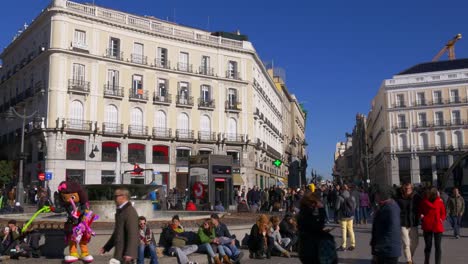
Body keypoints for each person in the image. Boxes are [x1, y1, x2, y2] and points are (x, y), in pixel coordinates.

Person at [100, 188, 139, 263]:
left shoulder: (129, 212)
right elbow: (117, 232)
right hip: (120, 252)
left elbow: (133, 233)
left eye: (116, 196)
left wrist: (130, 253)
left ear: (123, 197)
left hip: (125, 254)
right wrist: (106, 247)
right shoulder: (122, 211)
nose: (114, 199)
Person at [297, 191, 337, 264]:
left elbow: (313, 229)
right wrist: (321, 209)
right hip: (312, 250)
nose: (315, 206)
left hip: (304, 249)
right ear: (311, 203)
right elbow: (318, 226)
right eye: (314, 204)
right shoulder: (307, 215)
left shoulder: (302, 214)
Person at [370, 185, 401, 264]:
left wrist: (379, 247)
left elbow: (392, 230)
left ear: (382, 195)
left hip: (387, 251)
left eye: (377, 194)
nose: (375, 196)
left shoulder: (390, 208)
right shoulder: (384, 206)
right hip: (383, 249)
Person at [419, 187, 446, 264]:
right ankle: (426, 262)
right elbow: (420, 210)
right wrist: (422, 216)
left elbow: (443, 213)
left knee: (438, 247)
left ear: (432, 194)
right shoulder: (423, 201)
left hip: (437, 225)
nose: (426, 194)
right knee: (428, 246)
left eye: (428, 193)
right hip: (427, 225)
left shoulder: (439, 201)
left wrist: (441, 219)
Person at [396, 183, 421, 264]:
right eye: (406, 188)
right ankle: (409, 260)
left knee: (415, 242)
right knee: (406, 243)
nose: (407, 190)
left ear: (412, 189)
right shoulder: (399, 198)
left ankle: (410, 256)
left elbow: (423, 205)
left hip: (413, 222)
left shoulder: (416, 197)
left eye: (409, 188)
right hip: (402, 223)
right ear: (403, 189)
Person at [335, 184, 356, 251]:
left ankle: (343, 246)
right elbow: (354, 206)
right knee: (351, 229)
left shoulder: (340, 197)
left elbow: (337, 207)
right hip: (350, 216)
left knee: (344, 230)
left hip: (343, 216)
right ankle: (353, 244)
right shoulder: (352, 196)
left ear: (341, 189)